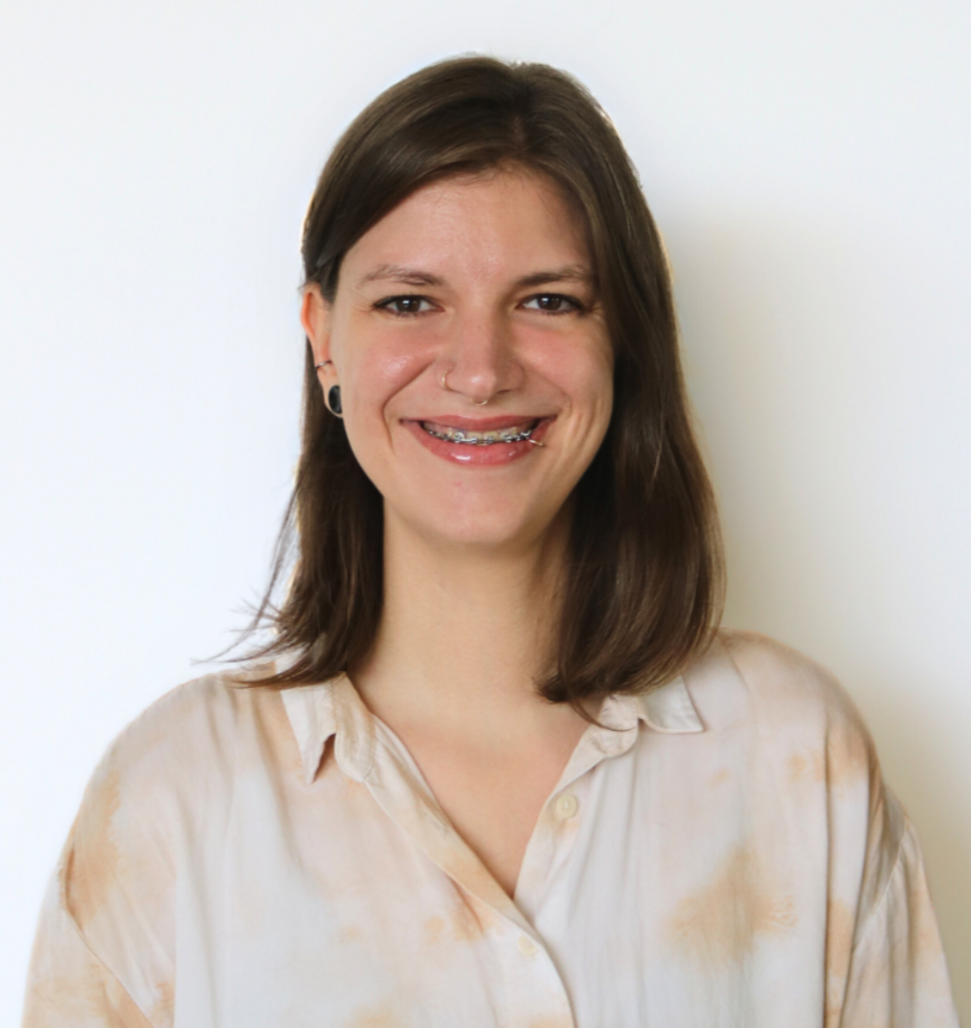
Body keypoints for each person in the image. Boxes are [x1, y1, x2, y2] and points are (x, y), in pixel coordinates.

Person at [22, 56, 958, 1028]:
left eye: (547, 299)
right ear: (323, 336)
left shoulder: (794, 758)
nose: (478, 370)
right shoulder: (177, 794)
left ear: (621, 339)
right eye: (409, 300)